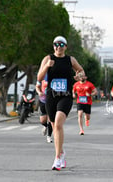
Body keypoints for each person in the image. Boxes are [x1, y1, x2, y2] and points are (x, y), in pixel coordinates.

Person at [37, 35, 84, 171]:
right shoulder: (48, 59)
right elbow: (39, 78)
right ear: (53, 46)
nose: (58, 47)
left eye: (61, 44)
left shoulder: (70, 60)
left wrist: (78, 76)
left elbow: (81, 71)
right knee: (54, 126)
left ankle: (57, 158)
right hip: (51, 96)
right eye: (56, 44)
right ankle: (62, 152)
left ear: (65, 47)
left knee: (58, 124)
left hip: (66, 96)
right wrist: (46, 66)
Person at [36, 74, 53, 143]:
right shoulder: (42, 76)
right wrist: (39, 92)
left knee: (50, 119)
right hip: (43, 100)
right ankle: (45, 126)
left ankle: (49, 136)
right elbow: (37, 87)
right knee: (43, 120)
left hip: (52, 100)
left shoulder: (55, 76)